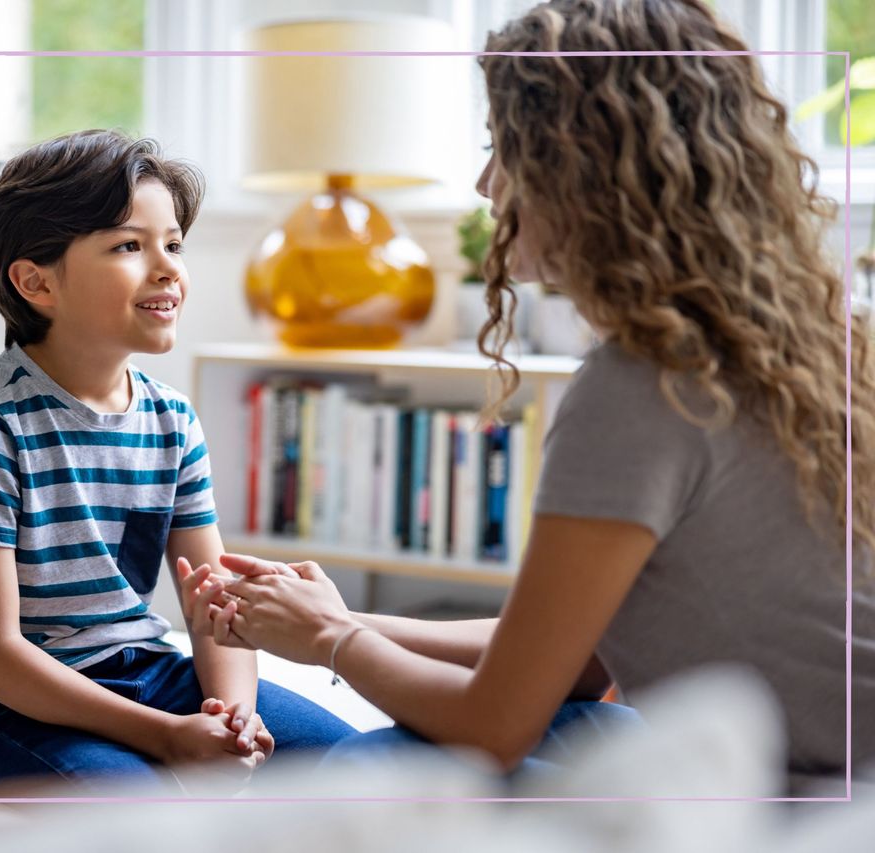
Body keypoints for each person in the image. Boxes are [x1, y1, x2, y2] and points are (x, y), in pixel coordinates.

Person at [180, 0, 874, 795]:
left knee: (374, 767)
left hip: (813, 796)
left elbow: (494, 727)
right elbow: (578, 665)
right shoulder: (820, 340)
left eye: (502, 152)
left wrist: (333, 639)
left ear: (581, 170)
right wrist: (332, 616)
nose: (485, 184)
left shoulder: (642, 384)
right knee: (565, 729)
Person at [0, 130, 355, 796]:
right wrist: (165, 736)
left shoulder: (171, 421)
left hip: (143, 668)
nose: (168, 267)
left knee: (359, 765)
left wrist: (235, 717)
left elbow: (217, 606)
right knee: (143, 811)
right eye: (128, 245)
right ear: (35, 281)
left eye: (173, 243)